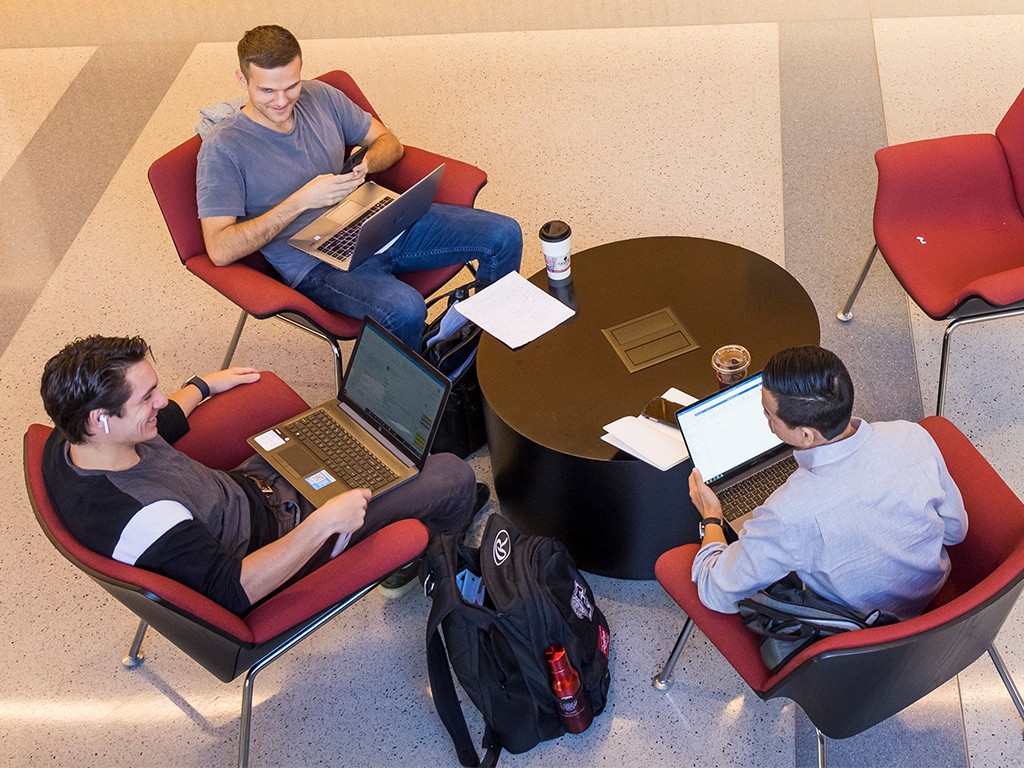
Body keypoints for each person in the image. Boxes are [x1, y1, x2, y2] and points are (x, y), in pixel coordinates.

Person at [39, 335, 485, 614]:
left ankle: (406, 498)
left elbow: (166, 425)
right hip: (281, 537)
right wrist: (325, 521)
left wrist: (204, 385)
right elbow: (234, 591)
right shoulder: (144, 519)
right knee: (452, 475)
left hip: (250, 484)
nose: (160, 402)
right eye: (147, 397)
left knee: (348, 429)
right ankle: (439, 556)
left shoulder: (73, 441)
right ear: (101, 419)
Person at [196, 24, 523, 349]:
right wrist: (300, 201)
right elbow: (220, 249)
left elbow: (388, 142)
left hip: (373, 217)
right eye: (267, 91)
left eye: (291, 86)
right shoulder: (223, 149)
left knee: (504, 234)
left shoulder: (319, 95)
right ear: (243, 80)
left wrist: (367, 164)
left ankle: (483, 354)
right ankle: (419, 386)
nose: (282, 101)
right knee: (406, 309)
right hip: (314, 263)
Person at [688, 346, 968, 621]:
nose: (765, 419)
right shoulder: (911, 435)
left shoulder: (788, 513)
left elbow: (716, 592)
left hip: (865, 631)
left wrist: (712, 518)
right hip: (934, 595)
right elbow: (956, 531)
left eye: (769, 414)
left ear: (807, 435)